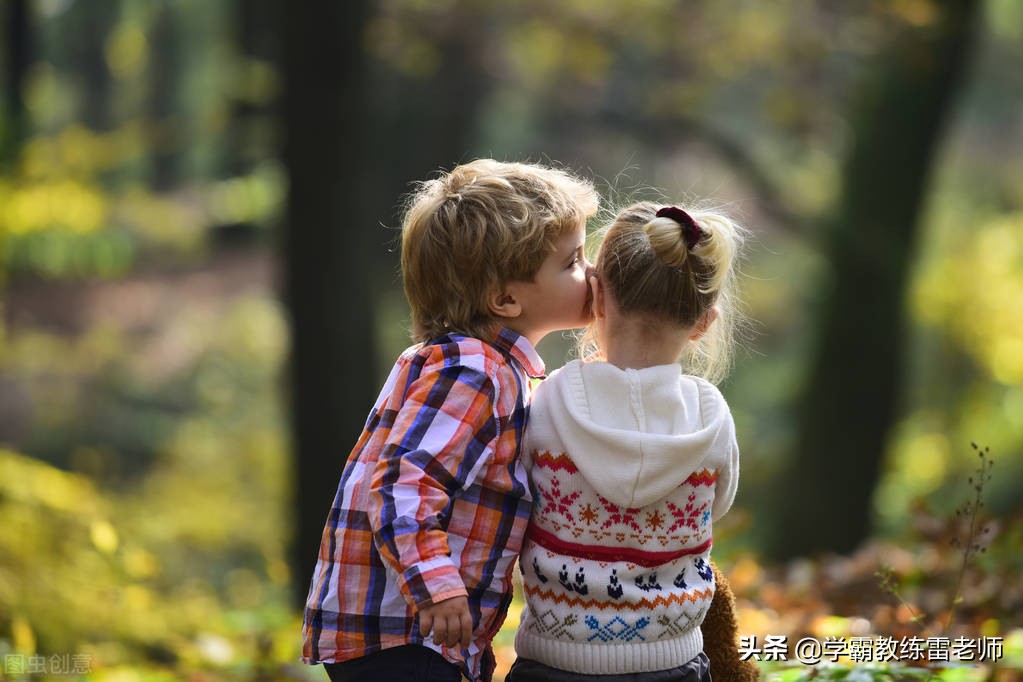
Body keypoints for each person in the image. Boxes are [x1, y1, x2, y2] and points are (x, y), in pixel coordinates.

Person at [302, 158, 599, 682]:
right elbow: (402, 483)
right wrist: (436, 585)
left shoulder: (482, 366)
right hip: (401, 632)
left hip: (415, 631)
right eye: (573, 261)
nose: (591, 271)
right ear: (506, 298)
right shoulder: (473, 370)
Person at [508, 201, 747, 681]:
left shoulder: (549, 400)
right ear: (704, 321)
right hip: (673, 662)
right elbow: (716, 506)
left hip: (554, 664)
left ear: (597, 298)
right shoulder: (711, 417)